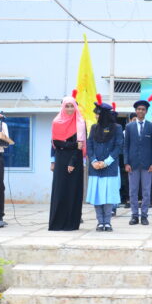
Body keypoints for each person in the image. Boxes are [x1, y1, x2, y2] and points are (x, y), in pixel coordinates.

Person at [49, 96, 86, 231]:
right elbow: (56, 143)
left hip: (75, 161)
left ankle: (72, 223)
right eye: (67, 106)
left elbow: (80, 146)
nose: (70, 109)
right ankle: (57, 223)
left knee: (73, 191)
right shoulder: (56, 122)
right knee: (60, 190)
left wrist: (72, 161)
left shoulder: (80, 122)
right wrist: (72, 145)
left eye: (72, 106)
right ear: (63, 107)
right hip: (60, 160)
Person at [86, 96, 123, 232]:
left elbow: (118, 147)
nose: (96, 116)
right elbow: (89, 146)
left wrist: (106, 162)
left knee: (108, 197)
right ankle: (99, 222)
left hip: (110, 167)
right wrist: (94, 161)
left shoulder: (117, 128)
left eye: (98, 114)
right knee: (97, 196)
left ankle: (107, 222)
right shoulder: (94, 128)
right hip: (95, 167)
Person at [124, 95, 152, 225]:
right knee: (132, 191)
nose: (140, 111)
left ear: (146, 111)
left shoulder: (151, 127)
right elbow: (125, 146)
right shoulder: (129, 127)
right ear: (136, 111)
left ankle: (144, 215)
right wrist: (126, 162)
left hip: (147, 165)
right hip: (132, 164)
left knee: (146, 191)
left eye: (143, 109)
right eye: (138, 109)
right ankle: (134, 215)